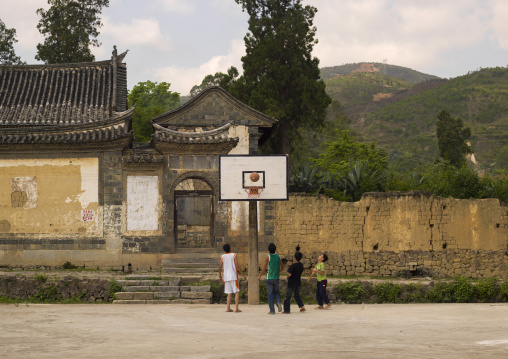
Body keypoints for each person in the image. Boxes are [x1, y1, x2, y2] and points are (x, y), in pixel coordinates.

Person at [219, 243, 246, 312]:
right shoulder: (233, 255)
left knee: (229, 293)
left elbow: (220, 267)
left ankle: (228, 308)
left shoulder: (222, 256)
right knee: (236, 291)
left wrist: (220, 276)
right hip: (233, 276)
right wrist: (243, 274)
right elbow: (237, 265)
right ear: (230, 248)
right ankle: (236, 308)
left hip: (226, 276)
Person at [257, 242, 284, 315]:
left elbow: (264, 268)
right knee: (276, 293)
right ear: (275, 249)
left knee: (270, 294)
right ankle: (278, 302)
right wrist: (278, 271)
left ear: (269, 250)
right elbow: (282, 267)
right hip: (276, 278)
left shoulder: (268, 257)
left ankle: (272, 311)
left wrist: (259, 276)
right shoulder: (278, 257)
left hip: (269, 278)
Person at [282, 246, 306, 314]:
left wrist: (287, 277)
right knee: (296, 294)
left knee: (288, 296)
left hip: (291, 283)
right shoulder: (301, 265)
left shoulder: (293, 266)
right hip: (298, 282)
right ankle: (302, 307)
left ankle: (286, 310)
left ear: (295, 258)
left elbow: (289, 274)